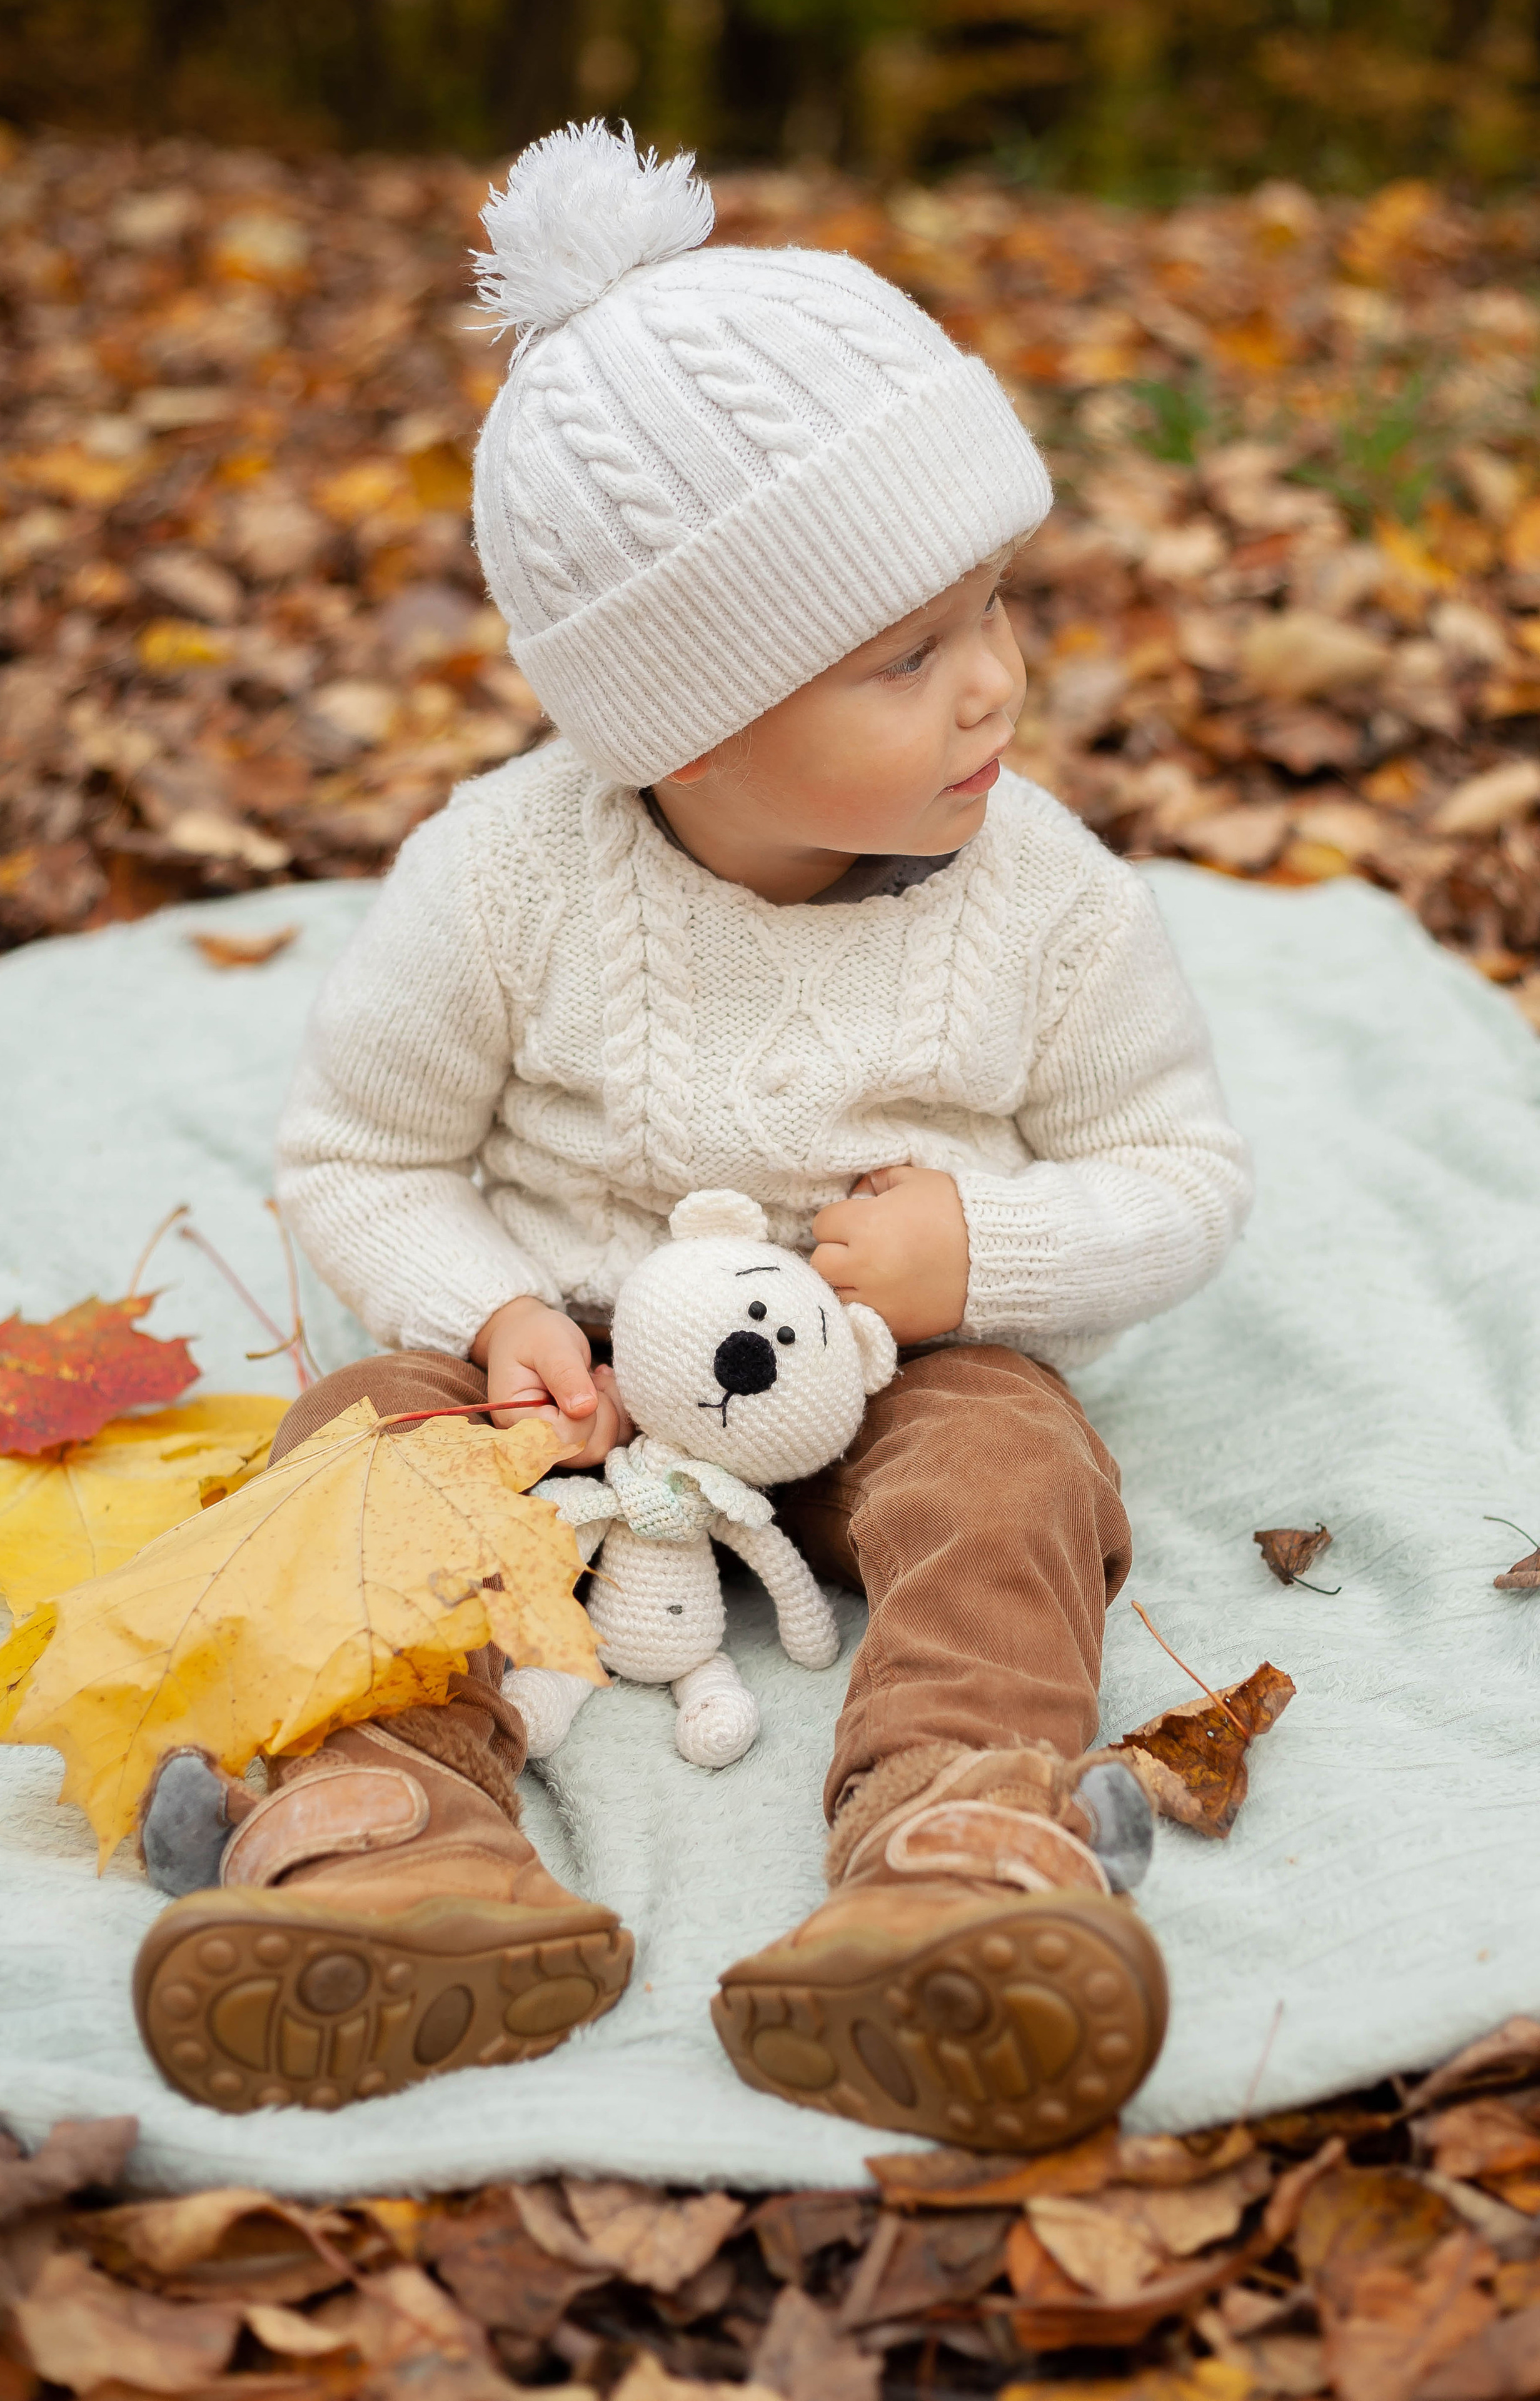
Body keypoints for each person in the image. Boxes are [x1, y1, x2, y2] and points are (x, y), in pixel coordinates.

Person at [130, 122, 1252, 2147]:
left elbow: (1182, 1173)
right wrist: (487, 1319)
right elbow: (360, 1155)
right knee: (354, 1453)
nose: (994, 685)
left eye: (998, 607)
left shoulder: (1054, 898)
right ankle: (394, 1835)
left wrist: (977, 1264)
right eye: (908, 656)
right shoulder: (504, 878)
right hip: (565, 1390)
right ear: (690, 720)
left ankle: (953, 1845)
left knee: (1014, 1472)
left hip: (893, 1365)